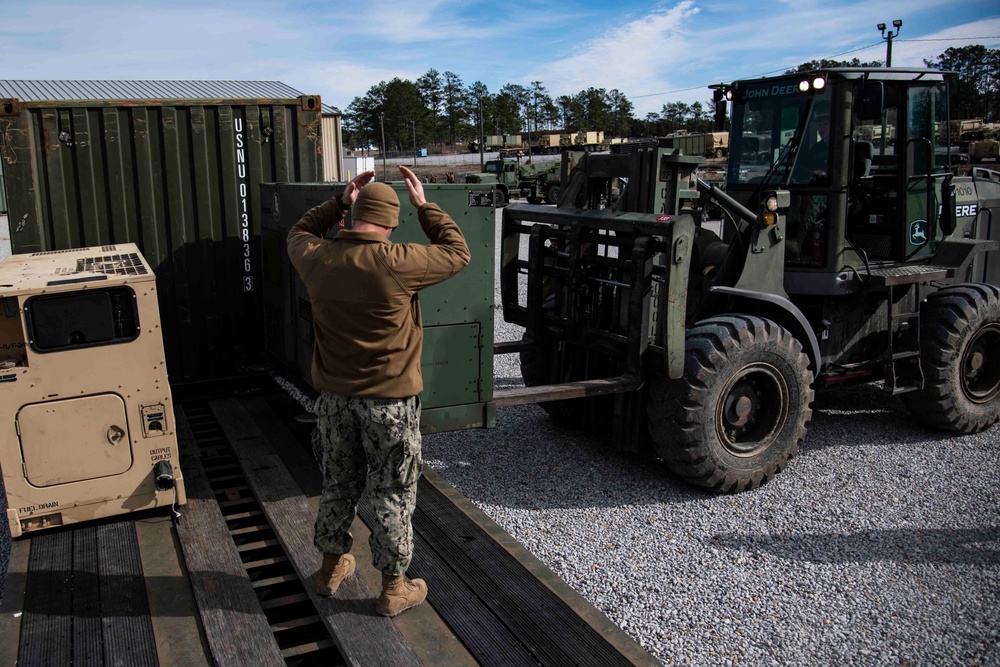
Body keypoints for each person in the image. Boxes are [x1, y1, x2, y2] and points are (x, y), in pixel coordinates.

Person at [286, 165, 471, 617]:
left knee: (337, 482)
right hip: (390, 405)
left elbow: (298, 231)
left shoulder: (317, 256)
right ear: (391, 223)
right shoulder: (400, 260)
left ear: (353, 217)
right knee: (392, 491)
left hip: (334, 401)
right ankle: (392, 589)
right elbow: (458, 251)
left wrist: (339, 201)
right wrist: (424, 206)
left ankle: (330, 569)